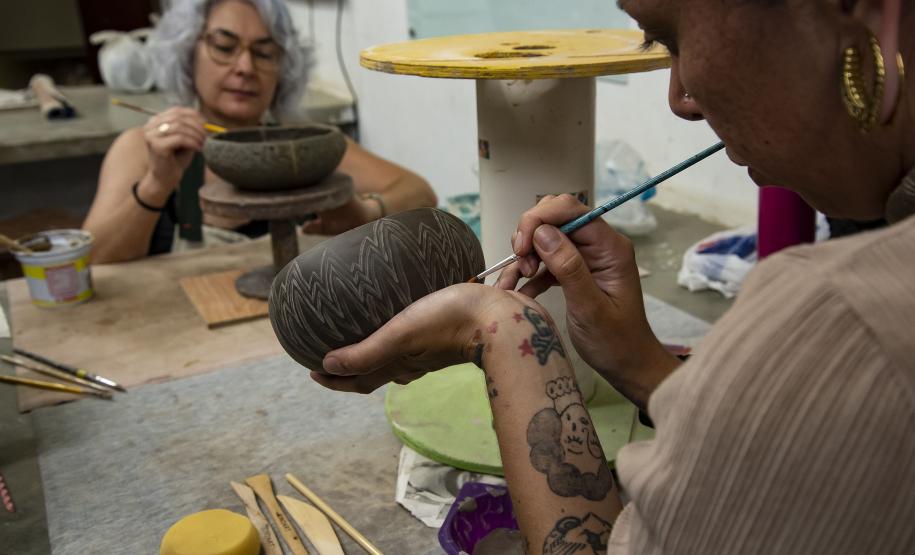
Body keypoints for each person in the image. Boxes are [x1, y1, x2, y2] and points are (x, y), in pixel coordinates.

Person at [311, 0, 915, 553]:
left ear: (870, 15)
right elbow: (795, 463)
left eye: (672, 36)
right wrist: (640, 363)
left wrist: (501, 331)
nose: (681, 99)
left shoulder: (847, 315)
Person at [83, 0, 436, 264]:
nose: (245, 67)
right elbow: (92, 262)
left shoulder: (302, 147)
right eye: (224, 47)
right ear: (187, 53)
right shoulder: (145, 148)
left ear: (284, 68)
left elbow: (419, 192)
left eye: (265, 54)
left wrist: (366, 212)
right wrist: (156, 185)